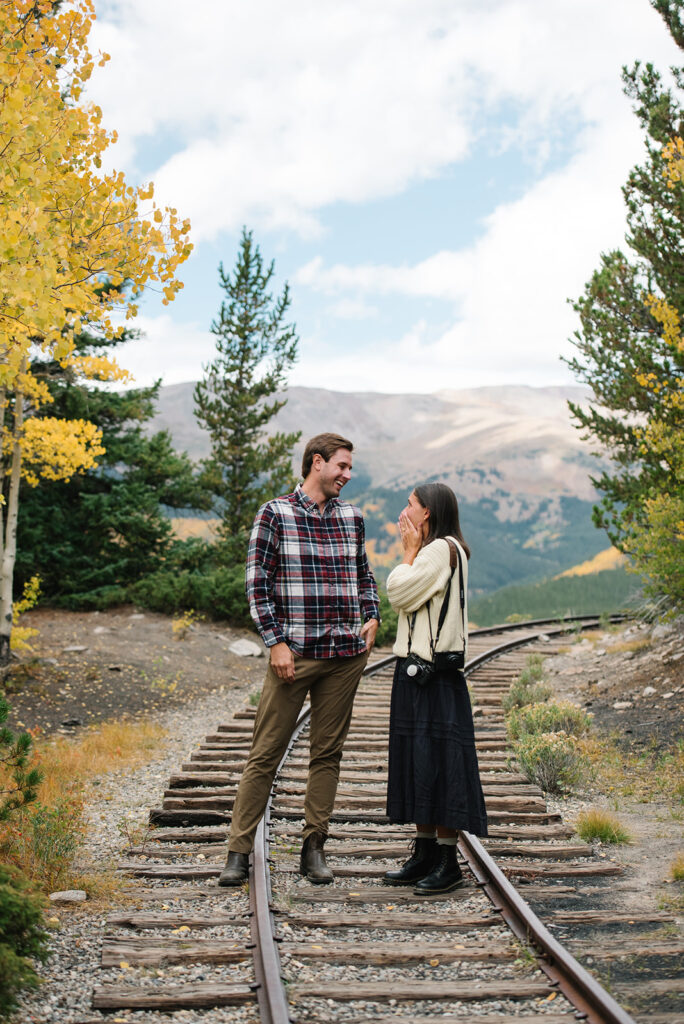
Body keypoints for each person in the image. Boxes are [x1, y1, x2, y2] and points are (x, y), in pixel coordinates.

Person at [218, 432, 380, 887]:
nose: (348, 475)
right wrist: (275, 642)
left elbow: (363, 573)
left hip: (345, 655)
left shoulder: (352, 518)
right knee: (265, 751)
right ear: (317, 463)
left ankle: (314, 848)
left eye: (350, 468)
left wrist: (373, 614)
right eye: (341, 467)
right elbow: (257, 584)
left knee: (327, 754)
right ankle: (237, 851)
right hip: (296, 654)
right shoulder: (275, 513)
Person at [383, 482, 487, 894]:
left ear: (427, 513)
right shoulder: (441, 549)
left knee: (440, 765)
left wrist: (407, 554)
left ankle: (447, 861)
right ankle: (425, 851)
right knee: (418, 763)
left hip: (433, 675)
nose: (404, 511)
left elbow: (398, 592)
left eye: (410, 504)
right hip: (417, 671)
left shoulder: (439, 550)